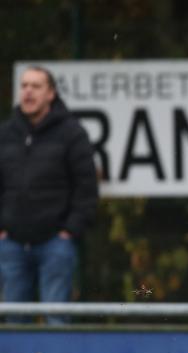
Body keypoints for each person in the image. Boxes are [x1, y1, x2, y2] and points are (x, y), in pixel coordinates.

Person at [0, 66, 98, 324]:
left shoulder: (72, 134)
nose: (28, 92)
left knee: (57, 321)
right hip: (11, 244)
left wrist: (69, 231)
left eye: (36, 86)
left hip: (55, 244)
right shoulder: (5, 134)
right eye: (24, 86)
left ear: (51, 93)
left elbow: (86, 187)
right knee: (13, 324)